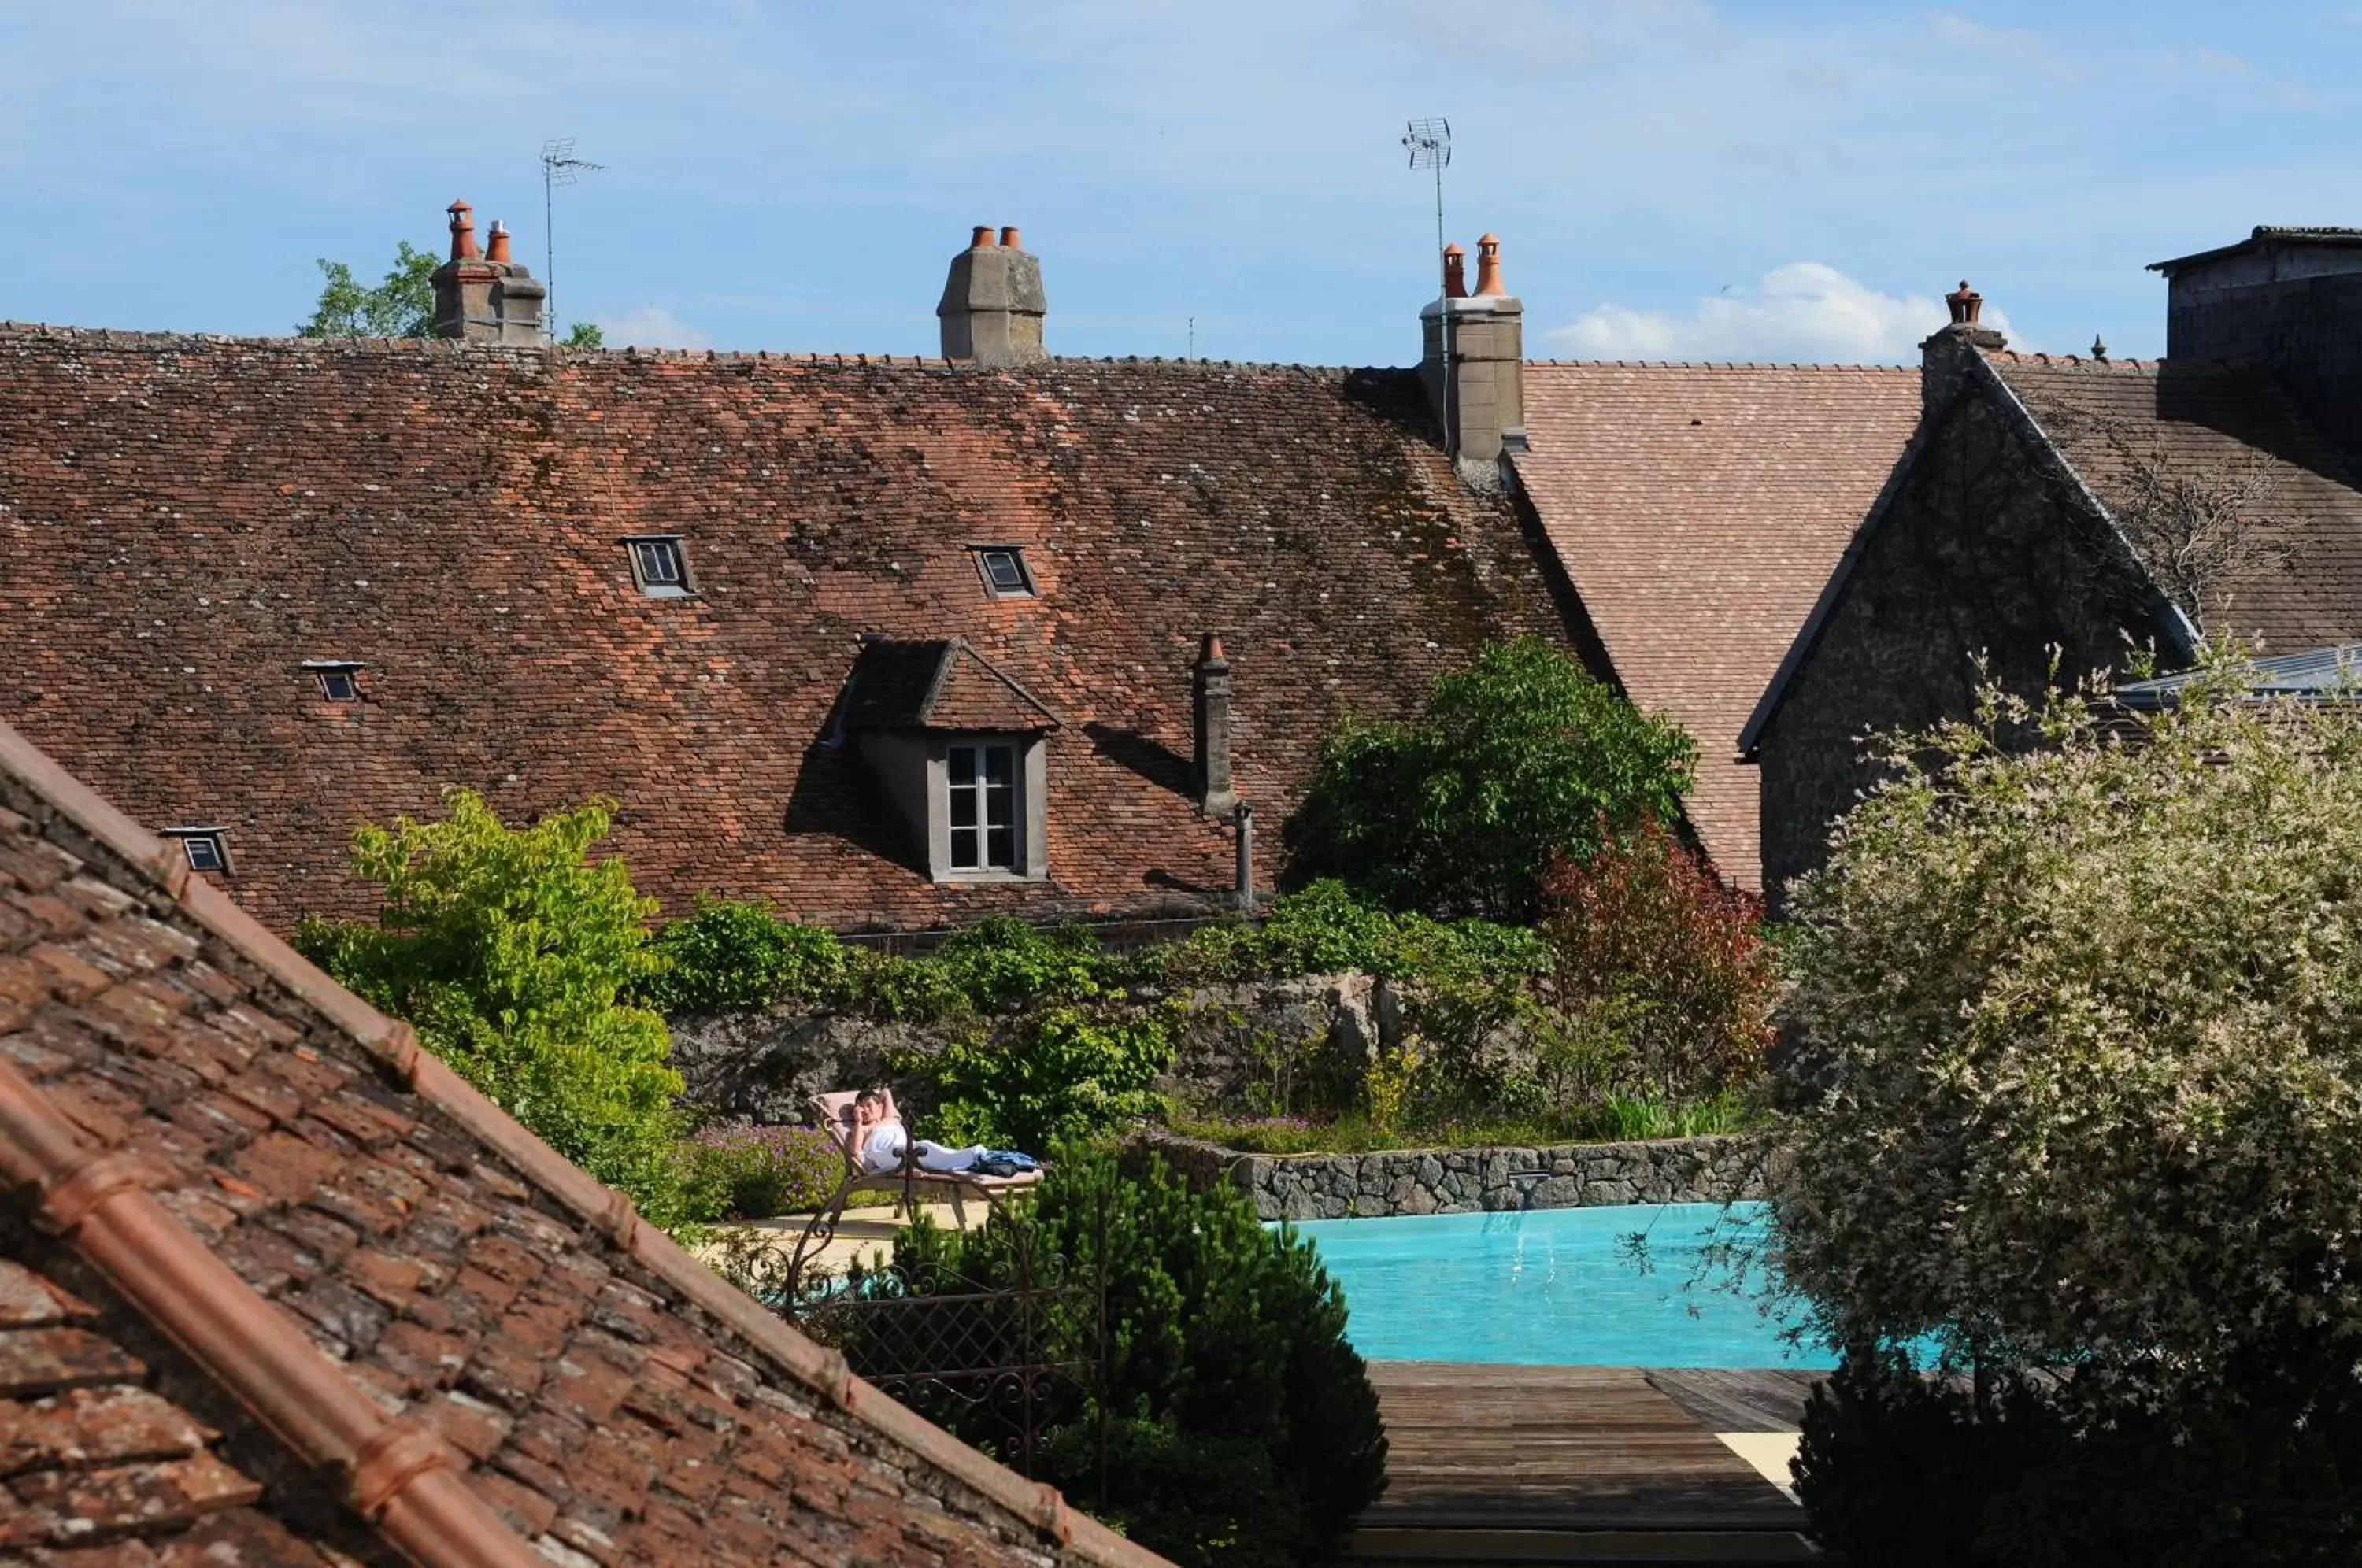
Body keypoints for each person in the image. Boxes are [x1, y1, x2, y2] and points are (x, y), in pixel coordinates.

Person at [850, 1088, 988, 1176]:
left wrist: (871, 1095)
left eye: (869, 1105)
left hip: (908, 1149)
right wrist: (858, 1120)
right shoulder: (863, 1129)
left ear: (879, 1106)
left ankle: (971, 1158)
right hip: (893, 1155)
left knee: (925, 1148)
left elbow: (886, 1092)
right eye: (862, 1107)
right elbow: (855, 1151)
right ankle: (973, 1158)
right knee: (925, 1148)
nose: (865, 1110)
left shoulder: (889, 1118)